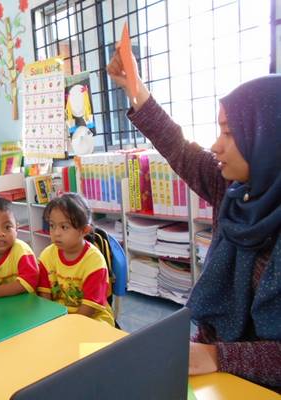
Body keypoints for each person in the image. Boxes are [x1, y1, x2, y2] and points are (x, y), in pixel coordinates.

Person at [107, 53, 281, 388]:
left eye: (230, 132)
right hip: (212, 368)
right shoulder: (234, 191)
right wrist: (135, 88)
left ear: (268, 140)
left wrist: (219, 356)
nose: (216, 145)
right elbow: (178, 147)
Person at [37, 193, 114, 326]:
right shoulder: (46, 256)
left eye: (64, 227)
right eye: (52, 225)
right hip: (58, 317)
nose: (56, 233)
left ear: (84, 230)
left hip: (93, 318)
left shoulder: (95, 261)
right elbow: (45, 298)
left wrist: (68, 325)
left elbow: (90, 308)